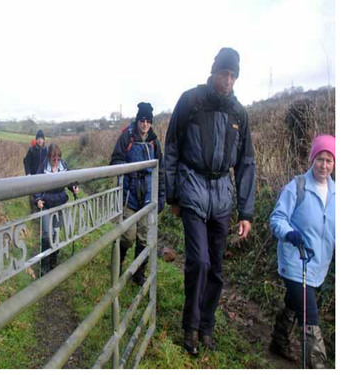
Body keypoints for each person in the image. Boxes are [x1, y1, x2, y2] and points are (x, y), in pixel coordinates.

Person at [164, 47, 256, 355]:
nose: (227, 80)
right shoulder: (191, 101)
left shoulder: (238, 114)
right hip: (192, 188)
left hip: (221, 195)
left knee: (216, 267)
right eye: (223, 73)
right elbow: (173, 147)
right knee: (199, 262)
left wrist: (246, 211)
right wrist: (172, 195)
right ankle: (189, 327)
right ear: (214, 72)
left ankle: (207, 325)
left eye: (232, 75)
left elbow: (246, 162)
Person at [269, 135, 335, 369]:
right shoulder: (297, 186)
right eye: (320, 159)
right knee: (310, 316)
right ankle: (316, 366)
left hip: (319, 266)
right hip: (295, 261)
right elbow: (277, 218)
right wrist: (289, 233)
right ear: (312, 159)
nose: (324, 165)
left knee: (294, 303)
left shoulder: (338, 194)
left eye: (329, 160)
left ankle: (278, 341)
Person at [110, 102, 165, 286]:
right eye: (142, 120)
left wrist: (162, 196)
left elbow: (161, 170)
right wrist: (128, 170)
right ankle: (117, 263)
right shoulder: (127, 137)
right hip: (129, 196)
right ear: (137, 120)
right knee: (128, 235)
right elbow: (115, 160)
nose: (145, 124)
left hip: (148, 197)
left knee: (144, 236)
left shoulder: (154, 142)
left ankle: (138, 273)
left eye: (149, 121)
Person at [34, 144, 79, 276]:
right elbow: (35, 184)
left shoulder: (63, 166)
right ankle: (44, 264)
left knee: (55, 234)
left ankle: (54, 259)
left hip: (60, 204)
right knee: (47, 235)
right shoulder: (42, 167)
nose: (56, 160)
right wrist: (37, 199)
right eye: (54, 158)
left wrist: (74, 188)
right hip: (47, 204)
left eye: (58, 157)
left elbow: (70, 181)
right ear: (49, 157)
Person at [24, 130, 48, 211]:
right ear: (36, 140)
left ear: (44, 140)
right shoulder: (31, 150)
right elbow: (26, 162)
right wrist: (28, 174)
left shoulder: (47, 150)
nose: (40, 140)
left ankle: (42, 209)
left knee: (43, 194)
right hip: (33, 177)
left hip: (44, 177)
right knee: (33, 195)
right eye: (38, 138)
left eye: (41, 138)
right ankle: (33, 211)